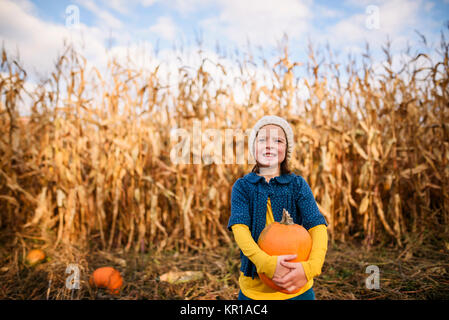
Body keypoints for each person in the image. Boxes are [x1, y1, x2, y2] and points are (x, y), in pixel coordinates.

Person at [228, 115, 328, 300]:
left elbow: (317, 226)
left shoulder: (297, 185)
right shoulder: (242, 187)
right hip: (255, 290)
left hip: (298, 285)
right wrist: (267, 264)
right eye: (262, 139)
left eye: (278, 140)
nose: (269, 145)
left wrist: (310, 268)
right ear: (253, 147)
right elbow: (240, 230)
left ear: (286, 149)